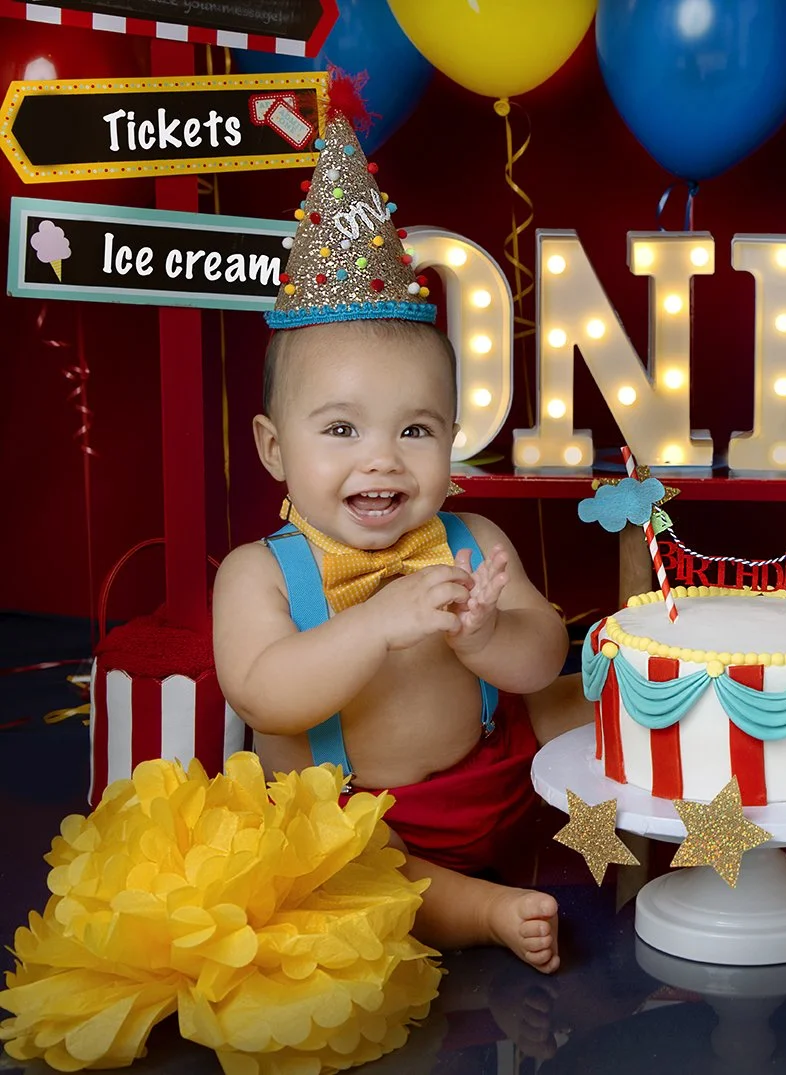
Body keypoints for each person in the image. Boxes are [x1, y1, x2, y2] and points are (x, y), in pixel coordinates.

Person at [212, 108, 570, 973]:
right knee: (333, 870)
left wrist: (488, 634)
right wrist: (376, 623)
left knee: (598, 700)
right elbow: (268, 697)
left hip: (489, 780)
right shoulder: (258, 572)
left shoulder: (470, 536)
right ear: (273, 449)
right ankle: (479, 909)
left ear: (453, 439)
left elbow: (543, 657)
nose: (382, 457)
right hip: (351, 818)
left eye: (416, 431)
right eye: (340, 430)